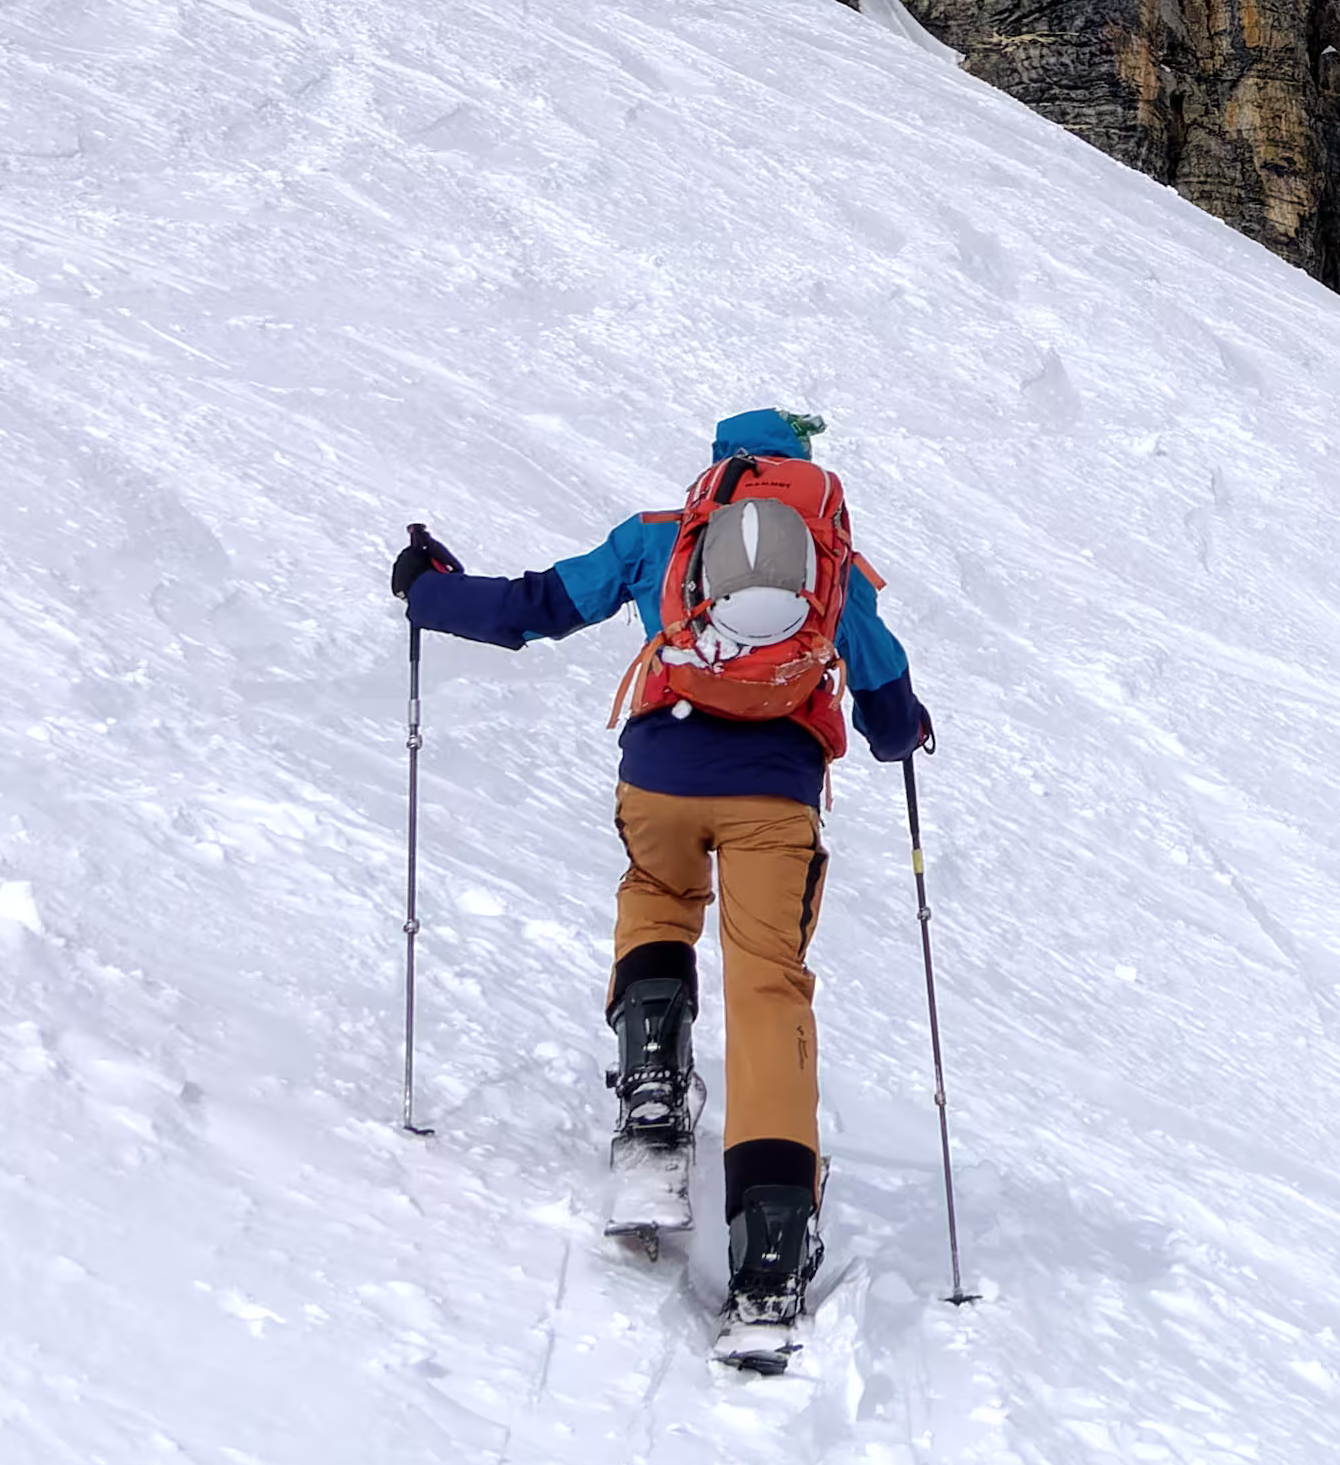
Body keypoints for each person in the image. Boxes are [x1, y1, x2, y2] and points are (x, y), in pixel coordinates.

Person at [389, 405, 934, 1332]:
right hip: (776, 798)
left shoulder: (660, 541)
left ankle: (652, 1094)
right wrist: (904, 726)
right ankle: (769, 1248)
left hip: (662, 776)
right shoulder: (833, 566)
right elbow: (885, 713)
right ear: (803, 475)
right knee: (767, 990)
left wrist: (427, 590)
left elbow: (536, 610)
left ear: (721, 468)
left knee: (658, 901)